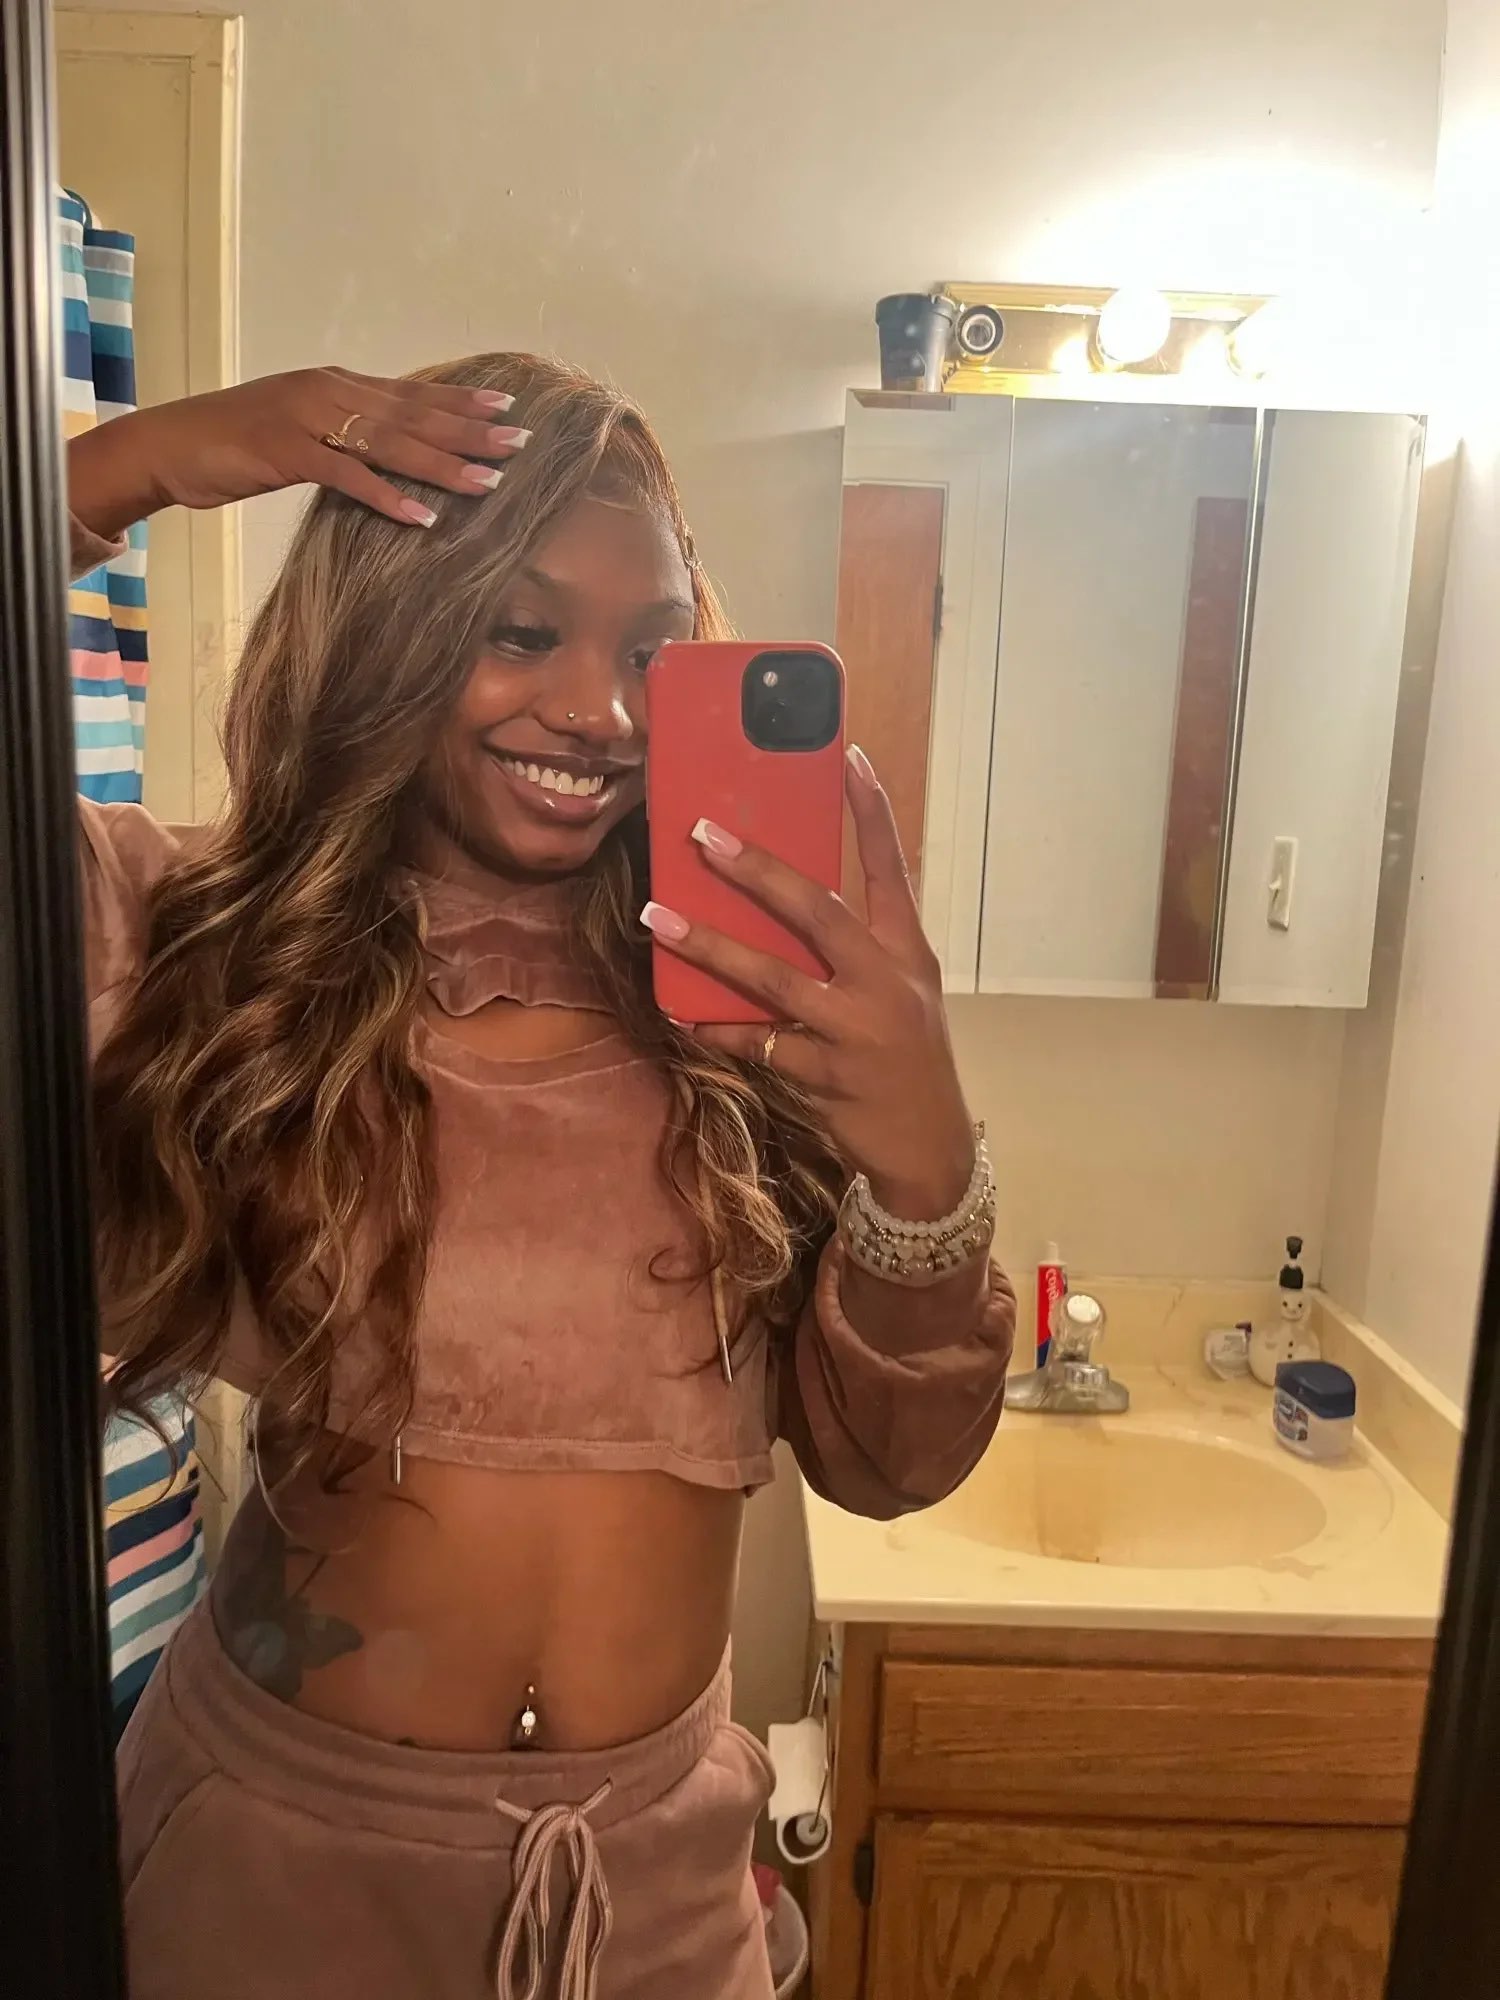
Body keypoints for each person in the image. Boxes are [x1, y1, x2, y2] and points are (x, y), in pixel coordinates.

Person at [67, 353, 1015, 2000]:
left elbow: (893, 1468)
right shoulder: (207, 945)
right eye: (519, 633)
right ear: (392, 635)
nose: (603, 712)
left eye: (651, 651)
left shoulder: (748, 998)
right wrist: (149, 460)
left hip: (655, 1900)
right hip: (281, 1874)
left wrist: (930, 1166)